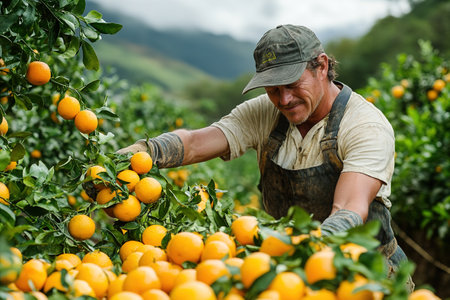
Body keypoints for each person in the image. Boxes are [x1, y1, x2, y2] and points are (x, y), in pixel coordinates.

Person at [117, 24, 413, 289]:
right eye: (273, 89)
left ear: (321, 66)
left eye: (293, 84)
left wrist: (307, 254)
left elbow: (348, 209)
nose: (284, 100)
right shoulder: (264, 112)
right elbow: (196, 142)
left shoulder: (365, 126)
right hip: (288, 276)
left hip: (363, 279)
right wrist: (147, 151)